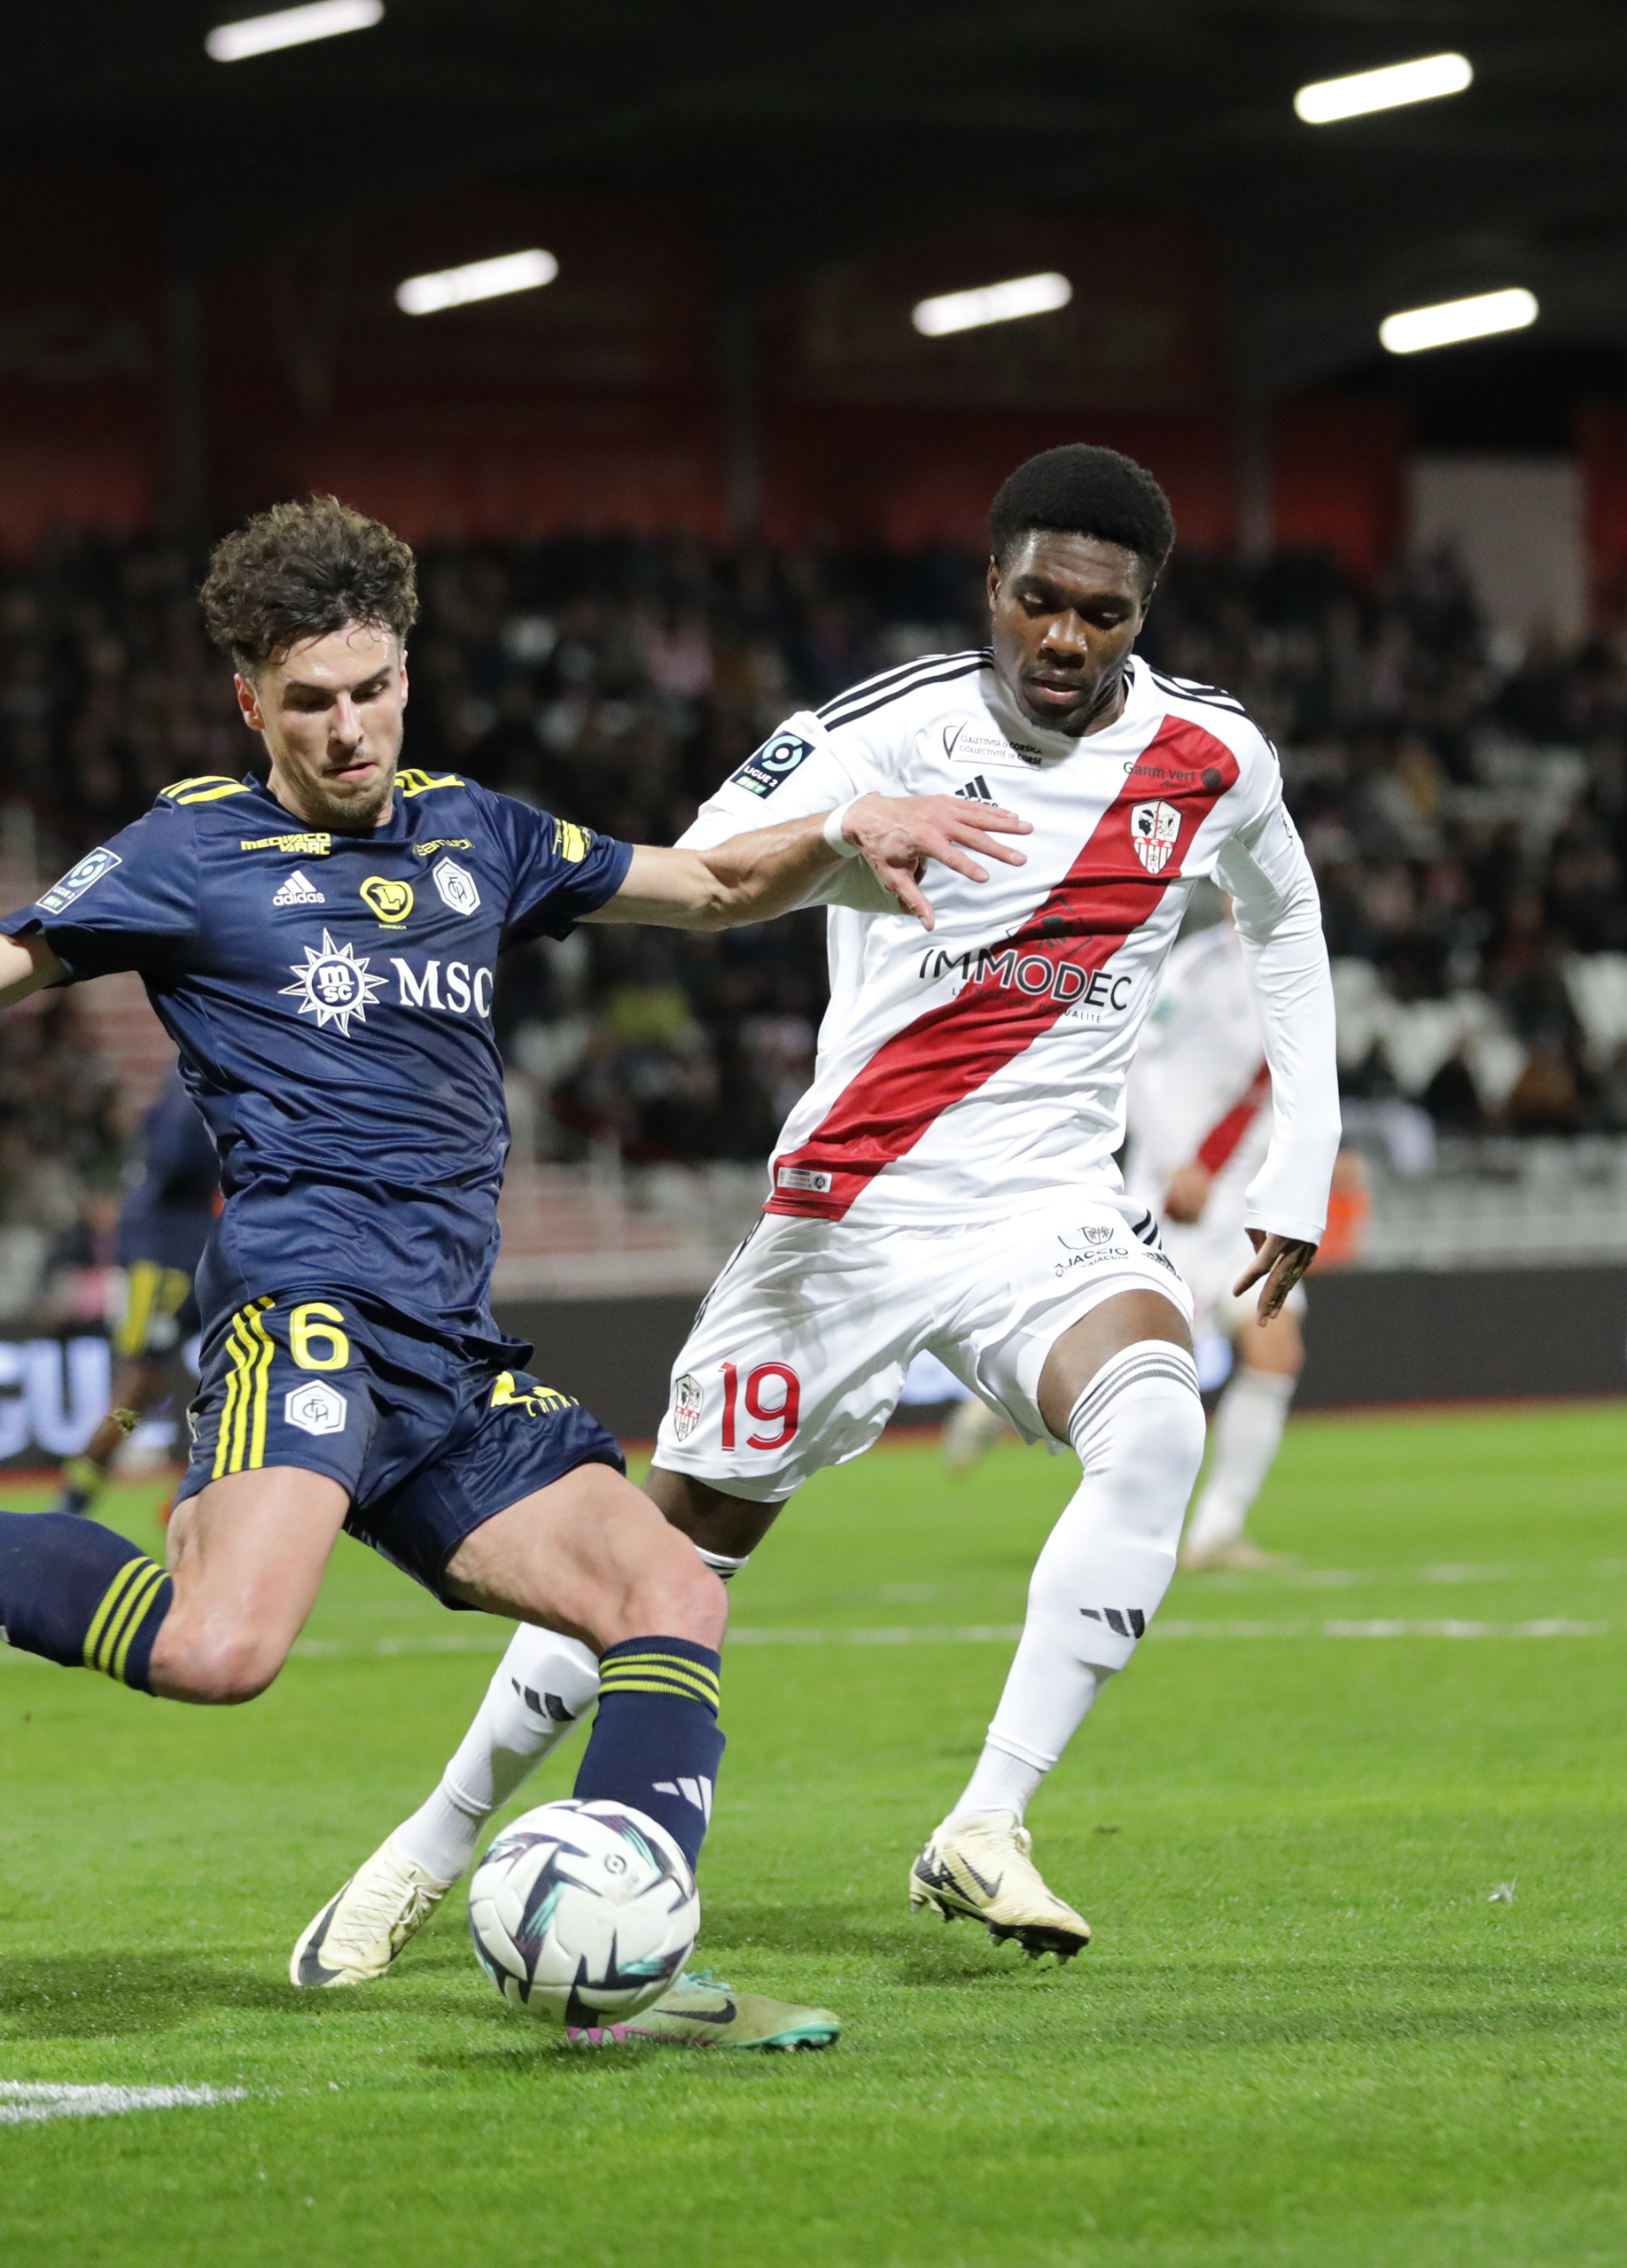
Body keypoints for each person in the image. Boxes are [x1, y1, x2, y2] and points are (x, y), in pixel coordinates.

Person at [0, 497, 1025, 2051]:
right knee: (221, 1653)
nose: (349, 727)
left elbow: (708, 887)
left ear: (406, 676)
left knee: (666, 1598)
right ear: (249, 701)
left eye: (372, 689)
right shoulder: (190, 852)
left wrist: (845, 831)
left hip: (449, 1351)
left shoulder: (480, 834)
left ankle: (626, 1961)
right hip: (301, 1313)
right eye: (308, 701)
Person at [295, 446, 1337, 1985]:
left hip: (1046, 1207)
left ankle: (988, 1820)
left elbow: (1289, 915)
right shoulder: (878, 730)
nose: (1064, 637)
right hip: (851, 1214)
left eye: (1100, 614)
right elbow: (709, 874)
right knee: (667, 1560)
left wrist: (1300, 1158)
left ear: (1143, 614)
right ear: (993, 587)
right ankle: (429, 1844)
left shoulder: (1210, 754)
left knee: (1160, 1422)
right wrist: (854, 836)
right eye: (1037, 600)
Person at [947, 885, 1356, 1572]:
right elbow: (1135, 1054)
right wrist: (1176, 1161)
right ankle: (1005, 1402)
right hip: (1174, 1199)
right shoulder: (1194, 965)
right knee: (1143, 1371)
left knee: (1276, 1350)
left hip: (1242, 1209)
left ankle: (1215, 1534)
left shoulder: (1303, 976)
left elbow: (1291, 1092)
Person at [52, 1068, 221, 1518]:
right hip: (161, 1257)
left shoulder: (188, 1080)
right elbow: (174, 1161)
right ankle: (74, 1498)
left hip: (185, 1247)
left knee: (182, 1377)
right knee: (139, 1385)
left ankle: (203, 1484)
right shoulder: (195, 1088)